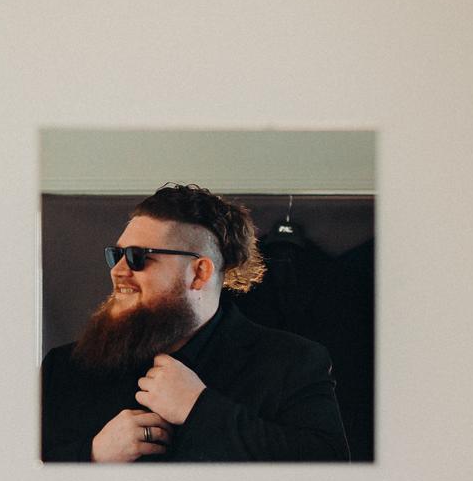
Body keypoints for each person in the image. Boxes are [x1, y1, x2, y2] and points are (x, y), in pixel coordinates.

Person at [40, 183, 348, 463]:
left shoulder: (293, 362)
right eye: (116, 255)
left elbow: (329, 472)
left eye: (137, 257)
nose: (118, 271)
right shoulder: (66, 366)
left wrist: (199, 409)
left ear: (200, 273)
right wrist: (92, 455)